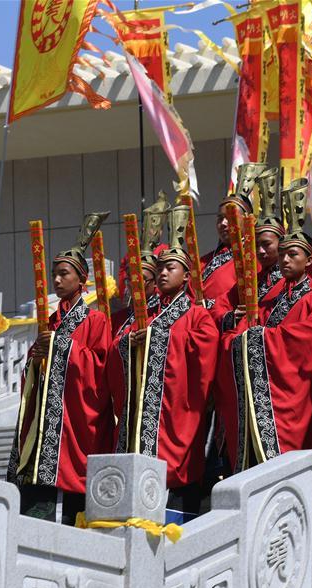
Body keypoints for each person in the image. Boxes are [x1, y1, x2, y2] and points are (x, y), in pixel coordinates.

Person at [108, 205, 219, 524]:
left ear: (187, 275)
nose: (163, 272)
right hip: (139, 418)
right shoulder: (146, 315)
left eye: (171, 267)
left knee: (173, 502)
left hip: (175, 415)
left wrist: (158, 341)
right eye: (160, 268)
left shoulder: (197, 315)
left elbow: (206, 352)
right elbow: (117, 347)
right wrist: (130, 343)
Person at [216, 183, 312, 472]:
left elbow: (306, 343)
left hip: (296, 397)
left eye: (293, 254)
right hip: (262, 393)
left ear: (309, 260)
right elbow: (241, 330)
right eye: (283, 254)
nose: (285, 259)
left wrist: (260, 337)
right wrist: (238, 335)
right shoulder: (268, 299)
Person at [7, 213, 113, 525]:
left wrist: (61, 347)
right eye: (53, 274)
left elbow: (99, 371)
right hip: (43, 425)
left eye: (63, 274)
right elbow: (33, 375)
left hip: (73, 428)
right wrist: (35, 360)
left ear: (82, 280)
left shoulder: (95, 321)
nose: (56, 280)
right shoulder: (50, 323)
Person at [214, 168, 287, 329]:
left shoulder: (291, 281)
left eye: (266, 244)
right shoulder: (254, 279)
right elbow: (221, 305)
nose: (260, 251)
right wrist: (231, 317)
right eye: (257, 246)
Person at [199, 162, 265, 305]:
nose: (223, 223)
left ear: (248, 221)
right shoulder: (204, 261)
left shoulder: (255, 256)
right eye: (220, 218)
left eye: (230, 218)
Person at [111, 202, 166, 337]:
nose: (150, 232)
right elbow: (123, 276)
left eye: (155, 229)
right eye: (147, 229)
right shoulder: (131, 254)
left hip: (156, 300)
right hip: (133, 301)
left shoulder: (166, 250)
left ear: (161, 232)